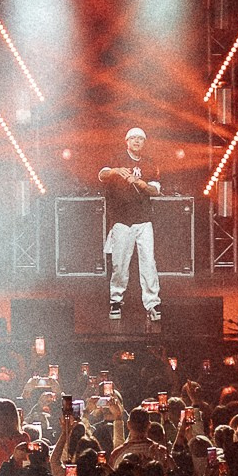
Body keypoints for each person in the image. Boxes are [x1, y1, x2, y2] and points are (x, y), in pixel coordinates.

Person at [100, 126, 161, 327]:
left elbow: (155, 190)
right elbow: (102, 174)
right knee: (120, 263)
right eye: (133, 138)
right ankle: (116, 300)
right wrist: (117, 171)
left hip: (143, 220)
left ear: (144, 143)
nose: (137, 142)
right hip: (122, 220)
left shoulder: (150, 163)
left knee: (148, 263)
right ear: (127, 141)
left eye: (140, 139)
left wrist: (139, 182)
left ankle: (152, 303)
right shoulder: (117, 159)